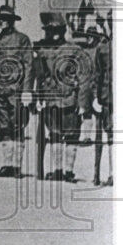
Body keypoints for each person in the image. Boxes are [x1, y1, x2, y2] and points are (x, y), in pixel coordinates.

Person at [34, 12, 92, 182]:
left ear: (64, 30)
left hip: (69, 99)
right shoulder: (43, 51)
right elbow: (40, 76)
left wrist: (83, 104)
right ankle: (58, 170)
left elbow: (84, 78)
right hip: (51, 99)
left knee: (72, 136)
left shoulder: (75, 51)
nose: (54, 34)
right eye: (50, 31)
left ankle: (68, 170)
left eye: (57, 30)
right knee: (55, 135)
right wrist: (39, 99)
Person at [0, 5, 34, 177]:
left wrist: (27, 90)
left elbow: (28, 65)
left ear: (12, 21)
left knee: (18, 125)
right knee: (4, 126)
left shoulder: (22, 39)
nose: (3, 21)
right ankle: (7, 164)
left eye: (6, 19)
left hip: (17, 90)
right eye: (1, 19)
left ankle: (17, 166)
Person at [91, 25, 113, 186]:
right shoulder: (103, 46)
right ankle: (113, 173)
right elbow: (97, 73)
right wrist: (95, 97)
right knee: (111, 134)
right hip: (107, 97)